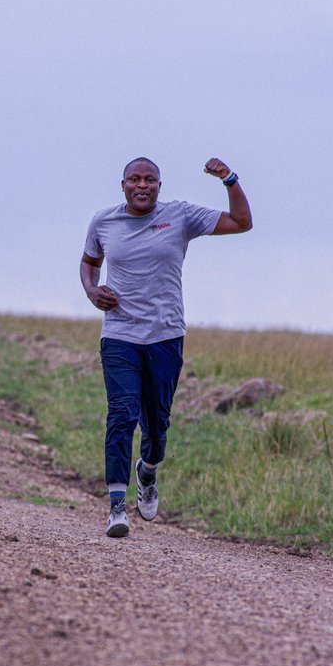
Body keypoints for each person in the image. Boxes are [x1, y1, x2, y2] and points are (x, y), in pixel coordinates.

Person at [80, 156, 252, 537]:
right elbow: (90, 262)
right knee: (121, 415)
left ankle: (148, 471)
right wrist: (92, 291)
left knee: (156, 427)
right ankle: (115, 508)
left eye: (150, 180)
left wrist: (230, 179)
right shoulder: (103, 222)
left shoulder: (181, 216)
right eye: (134, 179)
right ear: (122, 184)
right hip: (120, 335)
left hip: (165, 336)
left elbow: (242, 222)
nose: (142, 185)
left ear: (160, 185)